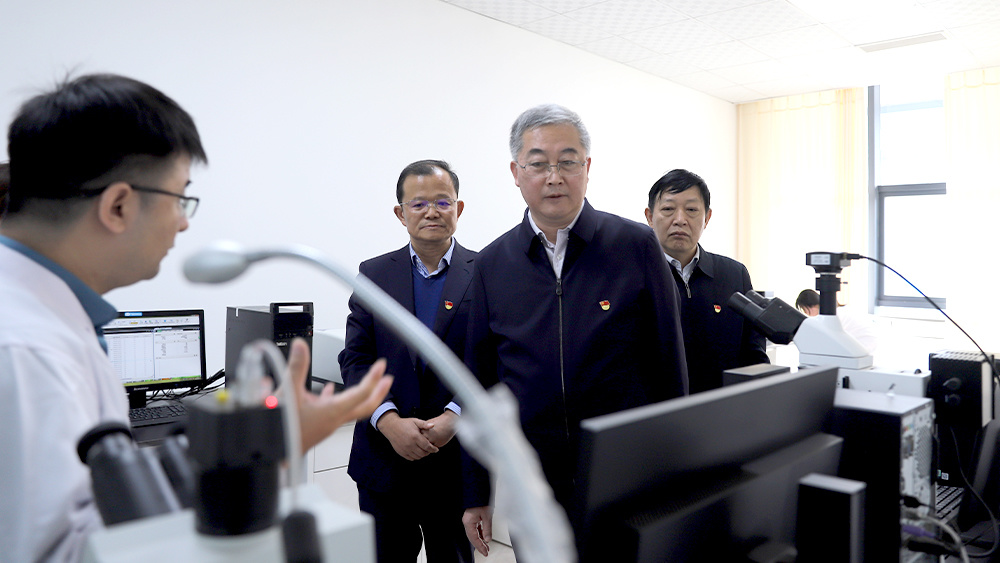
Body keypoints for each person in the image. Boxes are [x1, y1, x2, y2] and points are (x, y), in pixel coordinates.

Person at [0, 73, 392, 563]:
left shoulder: (45, 319)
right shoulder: (25, 349)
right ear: (118, 205)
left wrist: (267, 449)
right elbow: (71, 552)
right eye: (180, 198)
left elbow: (111, 519)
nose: (184, 222)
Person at [461, 104, 688, 556]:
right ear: (516, 172)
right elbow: (478, 384)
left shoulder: (635, 246)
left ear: (587, 167)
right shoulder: (491, 265)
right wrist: (475, 492)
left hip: (624, 471)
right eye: (538, 163)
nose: (554, 177)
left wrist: (674, 470)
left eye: (567, 161)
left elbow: (668, 362)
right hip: (533, 481)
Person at [338, 160, 475, 563]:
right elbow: (356, 358)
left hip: (455, 463)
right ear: (401, 213)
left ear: (458, 208)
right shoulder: (374, 274)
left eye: (442, 202)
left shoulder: (486, 272)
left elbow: (494, 362)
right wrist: (387, 420)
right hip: (384, 462)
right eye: (418, 204)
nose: (432, 212)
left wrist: (455, 416)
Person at [644, 169, 769, 393]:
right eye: (668, 209)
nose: (680, 220)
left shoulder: (734, 274)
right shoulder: (634, 275)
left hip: (721, 407)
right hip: (656, 410)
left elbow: (753, 355)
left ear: (707, 218)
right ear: (650, 217)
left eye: (691, 210)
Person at [795, 289, 878, 354]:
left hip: (864, 350)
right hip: (868, 349)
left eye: (804, 310)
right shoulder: (840, 311)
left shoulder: (833, 316)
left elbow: (827, 340)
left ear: (811, 306)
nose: (806, 313)